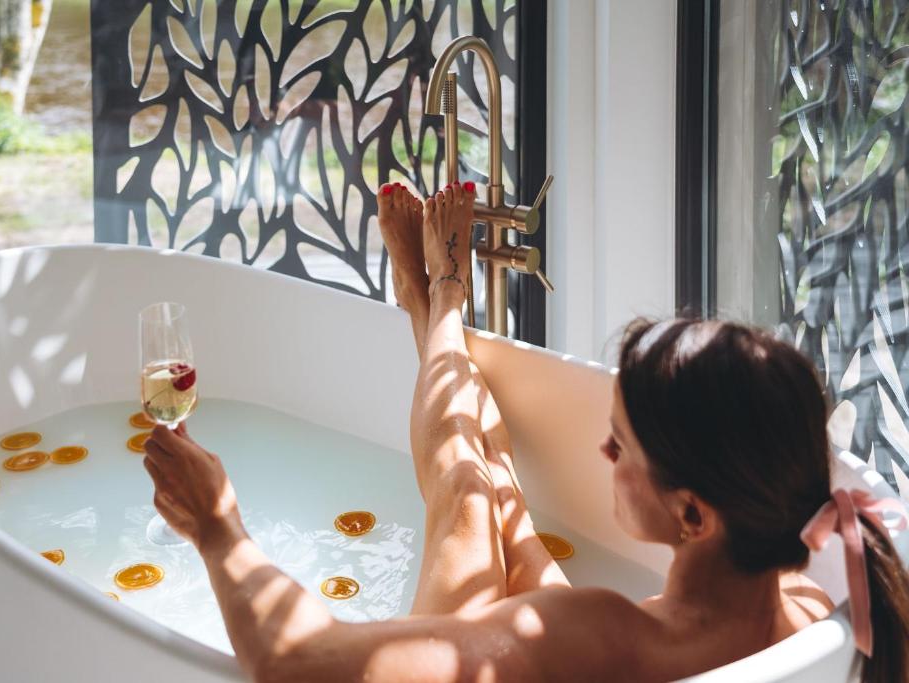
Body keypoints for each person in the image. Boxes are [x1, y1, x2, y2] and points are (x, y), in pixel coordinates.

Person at [142, 182, 909, 682]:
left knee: (463, 498)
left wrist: (218, 527)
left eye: (622, 445)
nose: (601, 452)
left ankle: (437, 307)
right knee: (498, 499)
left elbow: (295, 661)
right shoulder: (808, 604)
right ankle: (435, 311)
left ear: (694, 515)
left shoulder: (586, 632)